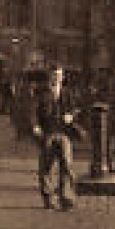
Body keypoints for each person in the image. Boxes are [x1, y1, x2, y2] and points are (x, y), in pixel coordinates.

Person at [32, 66, 79, 210]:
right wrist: (35, 125)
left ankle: (66, 198)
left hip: (64, 133)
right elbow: (33, 111)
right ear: (49, 77)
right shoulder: (41, 93)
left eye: (59, 75)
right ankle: (48, 198)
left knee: (67, 165)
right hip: (48, 133)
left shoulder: (68, 93)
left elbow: (76, 109)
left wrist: (71, 115)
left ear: (63, 77)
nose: (57, 78)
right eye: (54, 75)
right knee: (46, 167)